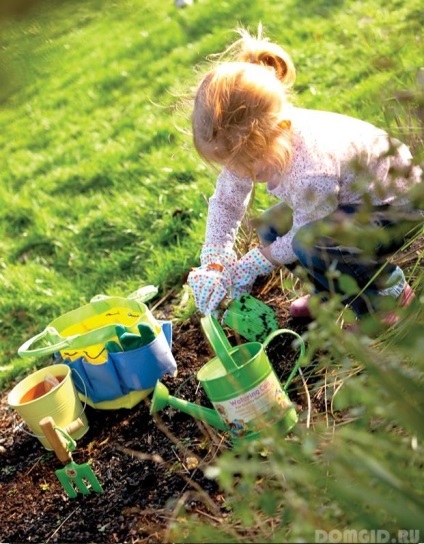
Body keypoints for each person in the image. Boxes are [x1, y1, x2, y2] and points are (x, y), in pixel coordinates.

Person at [187, 26, 423, 323]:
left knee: (309, 243)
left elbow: (306, 231)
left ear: (279, 132)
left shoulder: (312, 168)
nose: (240, 174)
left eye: (249, 165)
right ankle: (333, 295)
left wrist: (258, 261)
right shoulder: (259, 142)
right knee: (271, 226)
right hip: (346, 206)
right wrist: (214, 260)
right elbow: (226, 201)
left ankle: (387, 297)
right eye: (232, 165)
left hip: (396, 207)